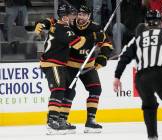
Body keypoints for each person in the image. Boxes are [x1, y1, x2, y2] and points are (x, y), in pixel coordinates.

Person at [35, 5, 113, 133]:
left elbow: (106, 43)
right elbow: (55, 21)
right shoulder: (69, 24)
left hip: (88, 65)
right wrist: (44, 22)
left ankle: (90, 121)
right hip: (70, 65)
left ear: (89, 16)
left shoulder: (96, 27)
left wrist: (103, 57)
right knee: (67, 91)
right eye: (79, 14)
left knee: (96, 89)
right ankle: (60, 119)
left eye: (84, 15)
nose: (80, 17)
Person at [113, 10, 162, 140]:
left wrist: (117, 77)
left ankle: (152, 136)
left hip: (141, 78)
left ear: (146, 23)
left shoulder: (137, 38)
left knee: (149, 106)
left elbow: (123, 57)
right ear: (161, 23)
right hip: (161, 74)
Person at [40, 4, 85, 135]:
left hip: (58, 64)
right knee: (58, 89)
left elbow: (51, 21)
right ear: (65, 17)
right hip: (52, 63)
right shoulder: (63, 28)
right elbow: (78, 44)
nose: (74, 17)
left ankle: (59, 119)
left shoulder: (60, 26)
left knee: (68, 91)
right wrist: (91, 38)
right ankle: (52, 121)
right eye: (71, 15)